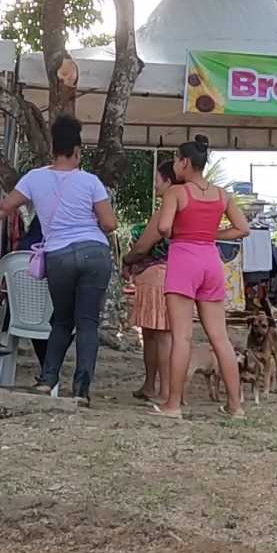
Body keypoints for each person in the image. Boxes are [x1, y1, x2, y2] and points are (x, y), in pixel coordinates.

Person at [0, 115, 117, 402]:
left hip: (58, 256)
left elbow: (4, 208)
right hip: (94, 253)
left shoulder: (34, 178)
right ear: (78, 151)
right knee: (88, 323)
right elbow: (109, 224)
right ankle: (81, 389)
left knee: (61, 321)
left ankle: (47, 379)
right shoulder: (90, 181)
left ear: (53, 149)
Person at [147, 135, 248, 419]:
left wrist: (180, 231)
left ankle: (173, 405)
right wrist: (212, 234)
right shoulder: (222, 195)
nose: (175, 165)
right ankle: (235, 406)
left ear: (185, 162)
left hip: (183, 261)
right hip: (211, 261)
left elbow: (164, 227)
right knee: (221, 338)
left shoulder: (175, 194)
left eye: (177, 160)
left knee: (182, 337)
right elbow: (242, 229)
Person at [122, 160, 177, 404]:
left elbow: (144, 245)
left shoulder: (166, 211)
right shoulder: (191, 209)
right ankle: (153, 386)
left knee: (160, 335)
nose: (155, 186)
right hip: (176, 275)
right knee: (157, 334)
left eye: (157, 181)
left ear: (168, 181)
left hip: (156, 276)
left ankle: (163, 390)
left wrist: (127, 259)